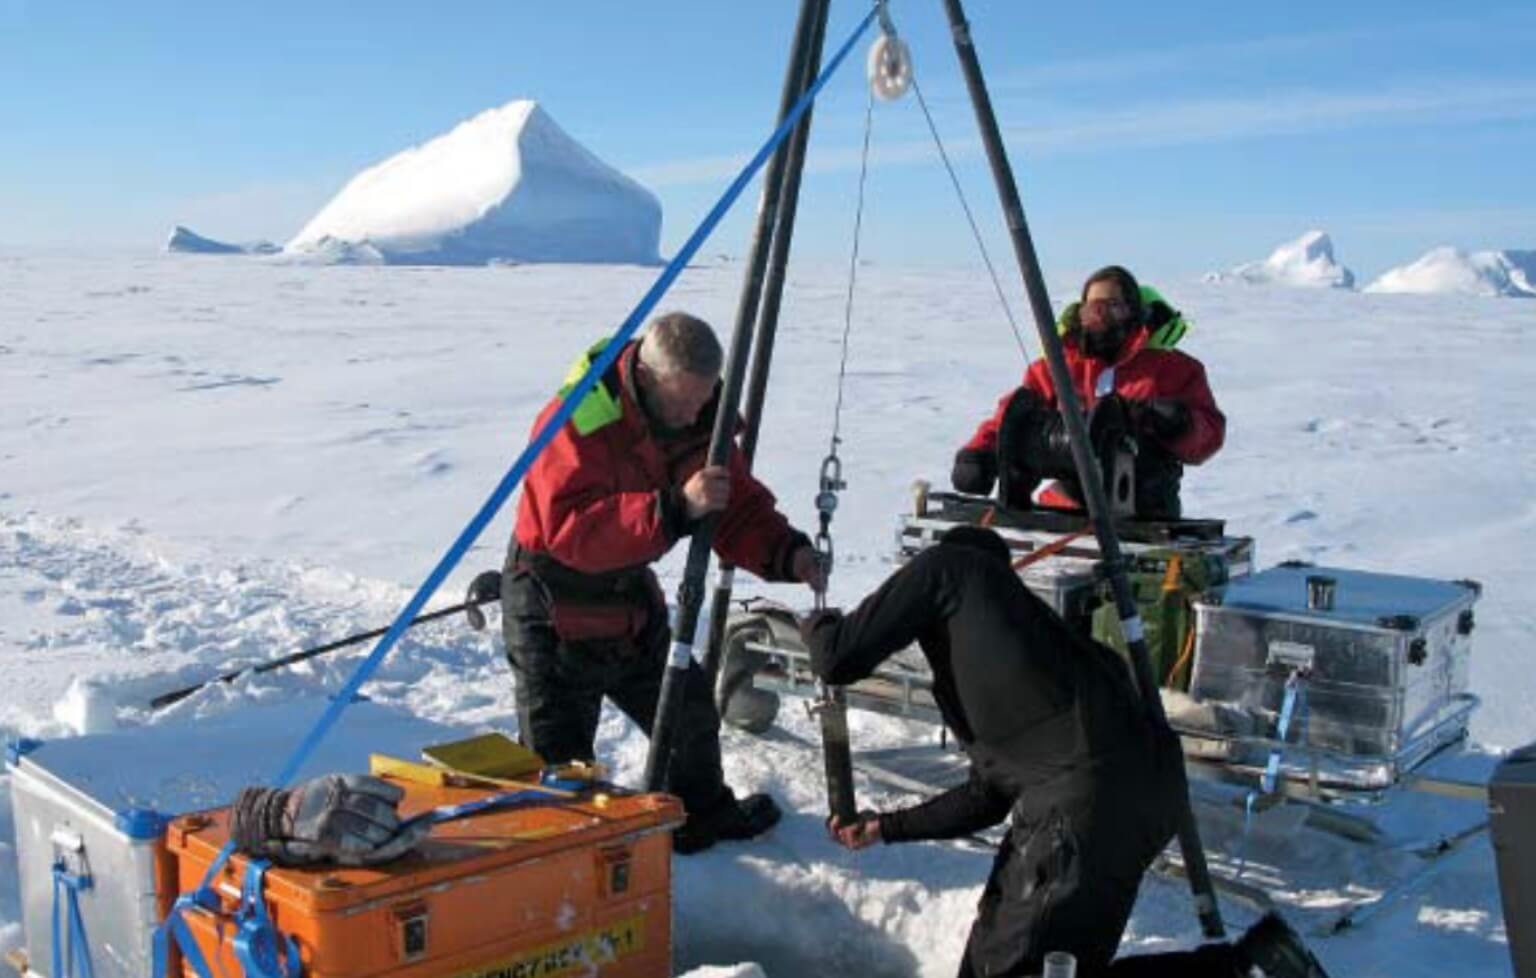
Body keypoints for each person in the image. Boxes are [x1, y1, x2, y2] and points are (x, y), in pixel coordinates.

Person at [800, 526, 1329, 978]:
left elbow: (837, 659)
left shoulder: (948, 568)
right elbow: (989, 796)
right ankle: (1251, 966)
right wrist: (884, 827)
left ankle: (1245, 969)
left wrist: (817, 623)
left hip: (1081, 809)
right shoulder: (1041, 652)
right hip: (1140, 800)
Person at [502, 311, 826, 854]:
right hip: (552, 600)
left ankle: (702, 818)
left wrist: (787, 553)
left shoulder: (702, 419)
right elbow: (569, 529)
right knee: (560, 763)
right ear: (648, 381)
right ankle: (566, 871)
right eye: (682, 403)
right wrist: (675, 508)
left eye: (702, 401)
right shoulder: (578, 415)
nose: (693, 413)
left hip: (626, 593)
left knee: (688, 715)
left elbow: (735, 503)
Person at [952, 266, 1224, 519]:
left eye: (1113, 307)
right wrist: (978, 454)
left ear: (1135, 313)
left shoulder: (1174, 369)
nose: (1101, 317)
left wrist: (1182, 424)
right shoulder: (1057, 368)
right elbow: (1014, 417)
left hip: (1146, 514)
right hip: (1066, 510)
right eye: (1093, 308)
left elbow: (1209, 436)